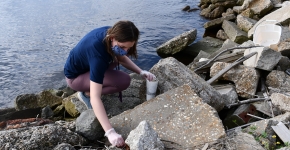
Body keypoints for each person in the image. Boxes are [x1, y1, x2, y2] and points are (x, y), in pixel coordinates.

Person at [63, 20, 156, 147]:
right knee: (123, 81)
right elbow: (96, 98)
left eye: (129, 47)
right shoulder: (97, 53)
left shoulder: (112, 33)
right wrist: (110, 132)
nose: (126, 50)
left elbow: (121, 58)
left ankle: (94, 83)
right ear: (112, 38)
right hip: (75, 78)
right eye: (123, 47)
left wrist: (141, 72)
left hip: (88, 67)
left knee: (116, 61)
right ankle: (85, 94)